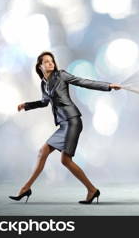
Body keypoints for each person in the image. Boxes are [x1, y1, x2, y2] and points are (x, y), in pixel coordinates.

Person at [9, 51, 122, 204]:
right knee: (43, 152)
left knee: (65, 160)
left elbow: (83, 81)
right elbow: (44, 102)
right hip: (64, 124)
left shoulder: (61, 75)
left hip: (72, 120)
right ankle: (26, 188)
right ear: (40, 66)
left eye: (52, 61)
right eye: (46, 62)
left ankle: (91, 190)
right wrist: (26, 105)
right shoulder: (44, 83)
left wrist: (107, 86)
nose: (50, 63)